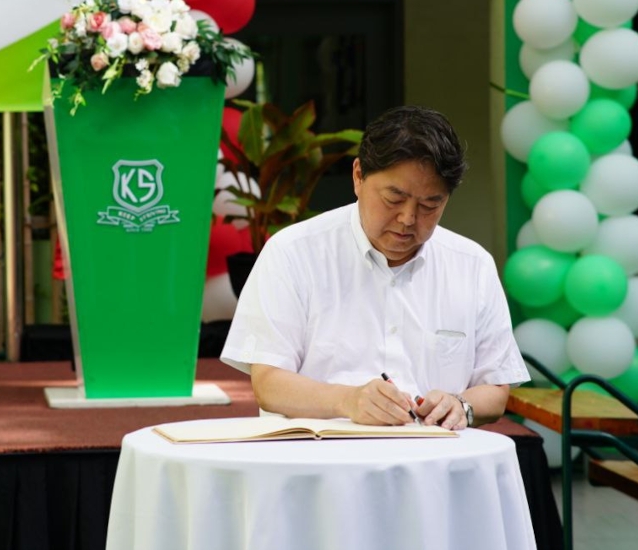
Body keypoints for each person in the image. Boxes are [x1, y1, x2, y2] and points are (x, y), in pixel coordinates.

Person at [220, 105, 529, 430]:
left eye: (430, 205)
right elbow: (268, 383)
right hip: (319, 461)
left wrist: (460, 406)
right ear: (358, 176)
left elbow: (495, 387)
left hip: (433, 463)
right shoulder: (293, 252)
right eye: (394, 198)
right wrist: (347, 400)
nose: (408, 218)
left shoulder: (472, 265)